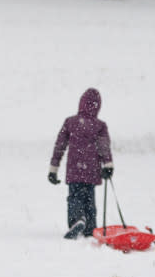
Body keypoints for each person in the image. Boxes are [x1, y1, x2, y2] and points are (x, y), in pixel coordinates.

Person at [48, 88, 114, 239]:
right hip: (91, 169)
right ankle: (90, 228)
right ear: (98, 107)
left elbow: (60, 145)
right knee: (89, 198)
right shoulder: (99, 126)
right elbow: (104, 146)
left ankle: (77, 220)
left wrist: (53, 169)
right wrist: (108, 166)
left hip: (74, 169)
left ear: (81, 103)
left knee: (75, 197)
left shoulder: (70, 122)